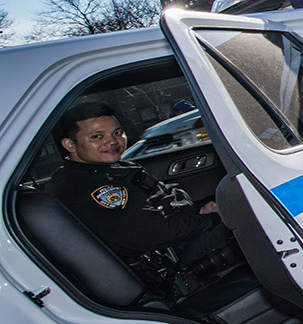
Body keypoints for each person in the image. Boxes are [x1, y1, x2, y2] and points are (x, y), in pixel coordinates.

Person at [48, 102, 229, 265]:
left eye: (117, 133)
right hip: (169, 255)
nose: (112, 141)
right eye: (97, 137)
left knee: (231, 198)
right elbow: (155, 232)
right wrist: (212, 218)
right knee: (245, 214)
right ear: (70, 145)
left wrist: (198, 211)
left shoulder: (111, 167)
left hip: (176, 233)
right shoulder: (86, 187)